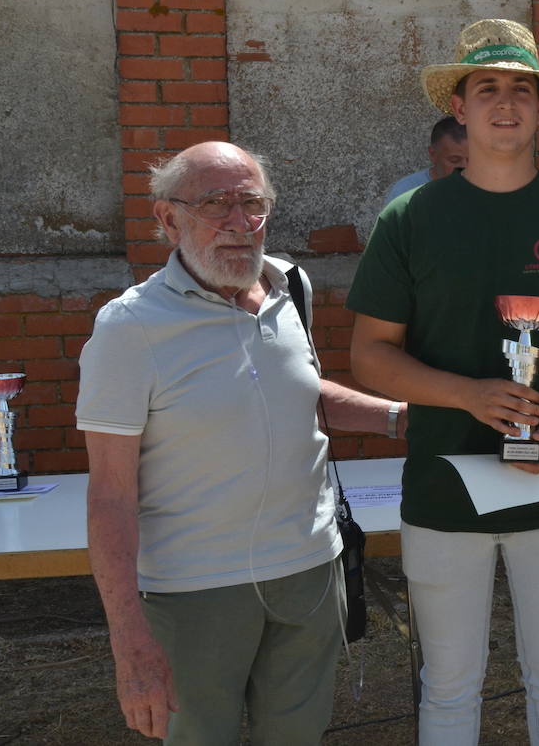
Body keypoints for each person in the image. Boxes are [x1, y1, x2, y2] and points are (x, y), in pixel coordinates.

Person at [347, 18, 539, 745]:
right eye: (487, 87)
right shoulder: (409, 219)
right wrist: (468, 394)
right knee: (447, 686)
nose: (505, 102)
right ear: (461, 108)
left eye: (521, 88)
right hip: (444, 488)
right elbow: (370, 357)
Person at [78, 141, 404, 744]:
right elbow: (110, 496)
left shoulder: (291, 288)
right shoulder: (130, 328)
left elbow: (296, 393)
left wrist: (399, 418)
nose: (238, 221)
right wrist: (129, 643)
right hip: (194, 594)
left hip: (309, 573)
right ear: (168, 218)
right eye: (215, 204)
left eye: (251, 203)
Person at [383, 115, 469, 204]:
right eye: (454, 160)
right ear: (432, 154)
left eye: (473, 160)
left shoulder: (482, 188)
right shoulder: (405, 192)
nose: (465, 167)